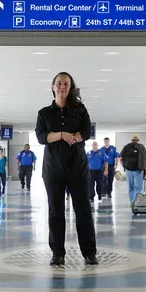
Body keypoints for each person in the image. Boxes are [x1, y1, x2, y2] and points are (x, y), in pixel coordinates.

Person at [35, 72, 98, 266]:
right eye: (59, 83)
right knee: (56, 211)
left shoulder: (79, 109)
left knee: (83, 210)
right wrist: (62, 134)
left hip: (77, 167)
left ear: (70, 88)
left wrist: (73, 137)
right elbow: (41, 137)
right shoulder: (44, 113)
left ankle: (89, 252)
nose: (62, 86)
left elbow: (86, 131)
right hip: (53, 168)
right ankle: (58, 253)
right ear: (53, 86)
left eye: (66, 84)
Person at [120, 134, 146, 211]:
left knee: (130, 187)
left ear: (131, 140)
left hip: (128, 170)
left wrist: (125, 167)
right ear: (138, 140)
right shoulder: (142, 147)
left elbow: (121, 159)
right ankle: (135, 203)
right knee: (138, 188)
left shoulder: (126, 147)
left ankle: (131, 202)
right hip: (138, 170)